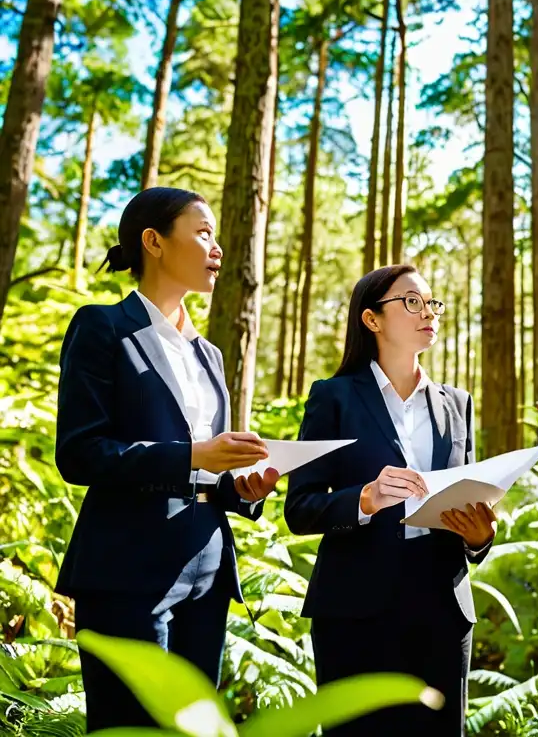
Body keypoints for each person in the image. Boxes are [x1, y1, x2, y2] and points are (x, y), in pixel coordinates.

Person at [55, 187, 280, 732]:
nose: (218, 248)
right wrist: (192, 455)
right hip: (125, 567)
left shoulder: (210, 355)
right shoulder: (102, 327)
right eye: (203, 232)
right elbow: (80, 453)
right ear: (153, 241)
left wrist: (242, 488)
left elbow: (207, 468)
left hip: (207, 568)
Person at [285, 265, 496, 736]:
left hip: (444, 609)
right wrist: (366, 498)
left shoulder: (456, 402)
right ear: (372, 319)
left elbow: (468, 504)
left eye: (432, 302)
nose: (428, 312)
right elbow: (299, 508)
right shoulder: (333, 398)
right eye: (412, 301)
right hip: (354, 612)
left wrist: (481, 538)